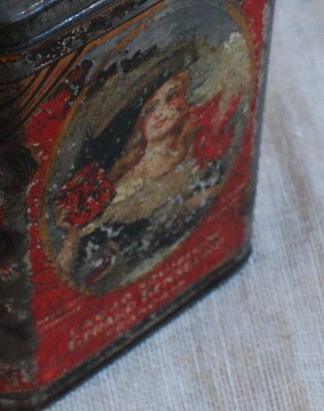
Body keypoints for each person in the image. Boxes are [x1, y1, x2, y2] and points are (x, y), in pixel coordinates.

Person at [54, 69, 228, 292]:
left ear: (187, 105)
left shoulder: (197, 162)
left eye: (170, 98)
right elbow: (65, 281)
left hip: (181, 267)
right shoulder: (116, 166)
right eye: (151, 107)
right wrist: (71, 236)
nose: (159, 113)